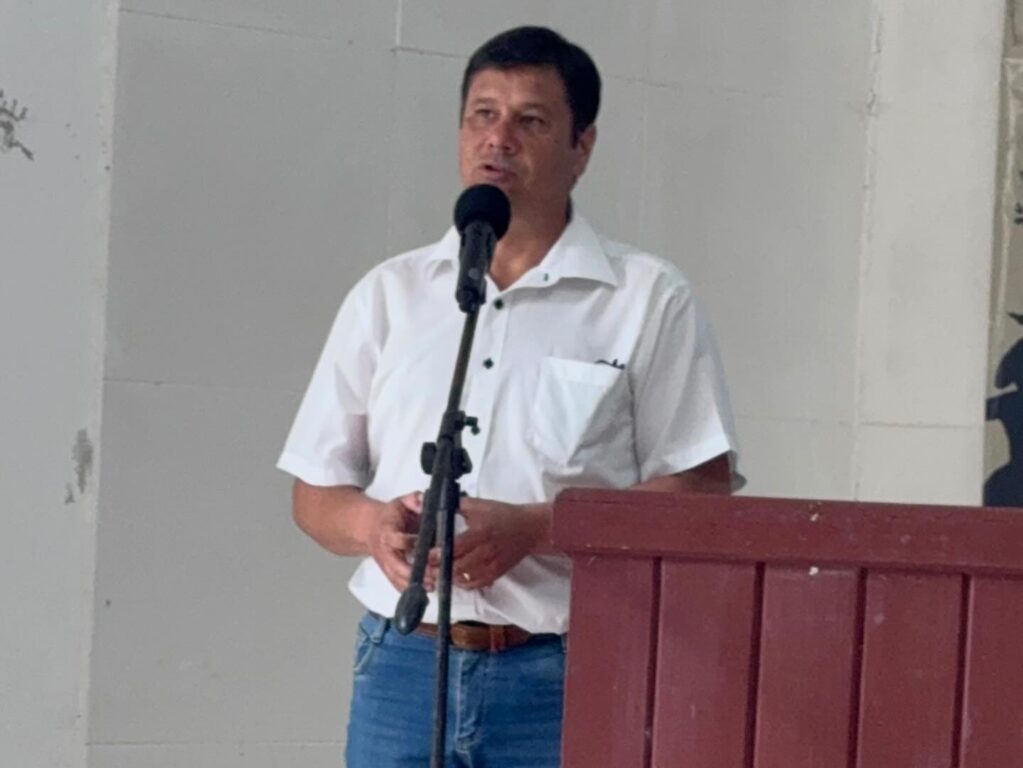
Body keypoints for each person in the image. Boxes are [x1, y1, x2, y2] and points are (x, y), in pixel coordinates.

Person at [277, 25, 739, 767]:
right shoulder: (391, 295)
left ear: (582, 146)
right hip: (402, 666)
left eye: (531, 120)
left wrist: (539, 527)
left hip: (564, 669)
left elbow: (701, 493)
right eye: (482, 115)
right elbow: (313, 494)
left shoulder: (645, 299)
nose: (499, 139)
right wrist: (373, 528)